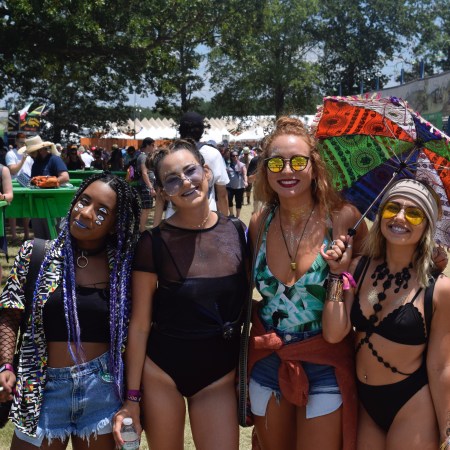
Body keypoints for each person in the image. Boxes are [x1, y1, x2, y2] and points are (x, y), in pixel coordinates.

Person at [112, 140, 248, 450]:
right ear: (162, 192)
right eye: (172, 179)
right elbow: (140, 324)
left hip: (219, 375)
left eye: (190, 171)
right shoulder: (152, 243)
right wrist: (132, 397)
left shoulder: (238, 232)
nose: (185, 182)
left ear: (207, 172)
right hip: (162, 372)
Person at [247, 116, 368, 450]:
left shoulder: (342, 218)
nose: (287, 171)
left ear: (314, 166)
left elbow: (378, 270)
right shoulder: (258, 223)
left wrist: (340, 273)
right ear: (265, 170)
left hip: (326, 360)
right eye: (276, 163)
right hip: (269, 359)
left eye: (298, 161)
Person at [0, 173, 141, 449]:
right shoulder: (35, 254)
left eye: (102, 212)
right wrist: (5, 365)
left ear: (115, 225)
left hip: (103, 390)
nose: (86, 213)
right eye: (84, 201)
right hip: (41, 388)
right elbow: (9, 313)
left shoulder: (125, 268)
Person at [321, 178, 450, 449]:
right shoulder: (358, 268)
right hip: (366, 404)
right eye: (392, 208)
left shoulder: (439, 289)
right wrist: (335, 274)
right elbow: (334, 333)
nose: (400, 217)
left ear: (426, 225)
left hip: (413, 405)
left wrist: (447, 430)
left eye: (413, 213)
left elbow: (441, 366)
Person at [18, 135, 70, 240]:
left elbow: (65, 177)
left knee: (55, 238)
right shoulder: (36, 163)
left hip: (53, 206)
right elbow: (34, 182)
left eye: (32, 152)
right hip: (37, 205)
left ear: (40, 150)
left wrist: (49, 182)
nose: (30, 155)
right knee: (40, 239)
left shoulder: (54, 159)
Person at [179, 112, 229, 216]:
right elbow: (222, 193)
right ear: (202, 130)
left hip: (176, 215)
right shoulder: (213, 153)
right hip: (207, 215)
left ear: (180, 130)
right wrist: (225, 219)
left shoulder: (170, 153)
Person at [5, 133, 31, 242]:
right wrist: (23, 160)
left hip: (27, 184)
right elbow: (13, 170)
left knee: (27, 210)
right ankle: (14, 236)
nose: (23, 144)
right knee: (13, 211)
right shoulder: (11, 154)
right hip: (14, 185)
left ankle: (27, 235)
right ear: (16, 142)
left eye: (25, 142)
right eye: (21, 142)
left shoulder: (29, 154)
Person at [226, 150, 248, 218]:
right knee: (229, 200)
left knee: (238, 201)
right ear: (231, 157)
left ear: (238, 156)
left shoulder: (242, 165)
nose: (235, 157)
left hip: (240, 187)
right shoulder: (228, 165)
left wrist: (246, 181)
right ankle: (231, 214)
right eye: (233, 156)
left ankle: (238, 216)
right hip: (229, 186)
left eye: (236, 155)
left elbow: (245, 174)